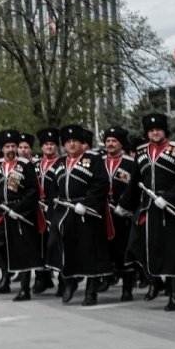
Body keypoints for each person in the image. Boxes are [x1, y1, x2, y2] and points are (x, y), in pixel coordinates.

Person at [129, 113, 175, 311]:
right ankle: (154, 281)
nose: (155, 133)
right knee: (140, 245)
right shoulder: (141, 152)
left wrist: (169, 198)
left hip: (173, 208)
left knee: (173, 251)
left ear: (164, 130)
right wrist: (124, 205)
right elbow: (135, 181)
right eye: (151, 130)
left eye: (158, 129)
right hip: (149, 208)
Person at [43, 125, 111, 305]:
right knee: (59, 247)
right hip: (63, 211)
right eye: (68, 142)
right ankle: (69, 281)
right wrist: (51, 214)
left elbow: (101, 184)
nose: (72, 145)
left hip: (85, 211)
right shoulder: (59, 163)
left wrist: (87, 203)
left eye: (75, 141)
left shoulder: (93, 160)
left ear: (82, 144)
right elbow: (53, 190)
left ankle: (91, 291)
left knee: (88, 252)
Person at [0, 130, 41, 300]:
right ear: (2, 148)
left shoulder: (25, 165)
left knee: (23, 249)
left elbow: (33, 191)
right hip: (2, 212)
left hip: (21, 212)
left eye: (13, 146)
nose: (10, 149)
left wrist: (20, 209)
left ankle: (25, 289)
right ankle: (6, 270)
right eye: (7, 146)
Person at [102, 126, 141, 301]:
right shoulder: (99, 162)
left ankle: (127, 288)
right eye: (108, 141)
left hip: (123, 213)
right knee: (105, 249)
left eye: (114, 141)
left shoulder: (130, 163)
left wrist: (125, 205)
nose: (110, 144)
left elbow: (135, 188)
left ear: (121, 143)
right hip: (103, 213)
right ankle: (105, 278)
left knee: (123, 250)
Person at [32, 127, 62, 295]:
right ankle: (42, 278)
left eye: (52, 144)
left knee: (55, 245)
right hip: (38, 210)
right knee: (39, 245)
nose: (49, 147)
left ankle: (63, 280)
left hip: (56, 209)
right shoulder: (35, 165)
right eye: (46, 144)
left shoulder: (62, 163)